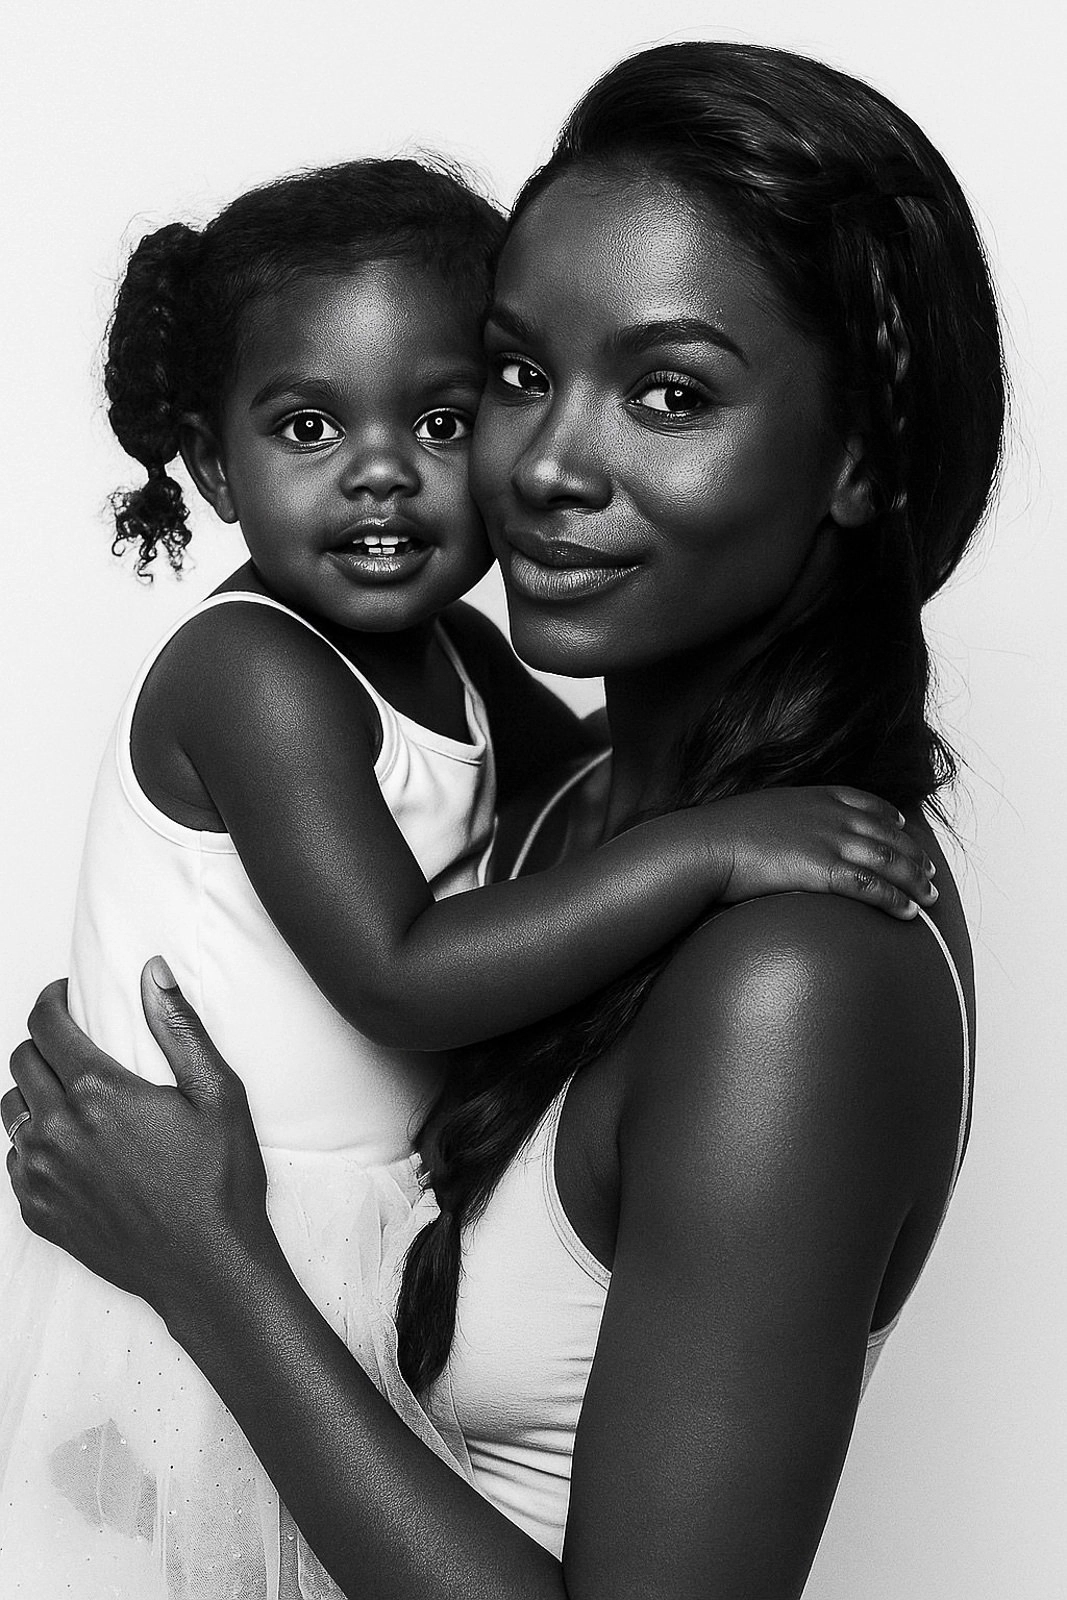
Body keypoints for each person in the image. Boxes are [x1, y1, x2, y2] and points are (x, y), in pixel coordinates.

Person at [5, 37, 1004, 1600]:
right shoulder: (576, 799)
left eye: (667, 392)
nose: (540, 463)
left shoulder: (792, 976)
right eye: (525, 376)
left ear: (860, 456)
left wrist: (205, 1258)